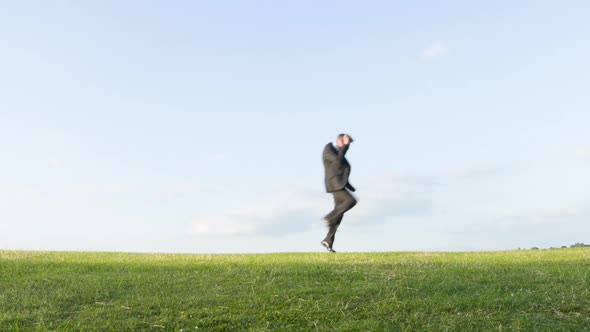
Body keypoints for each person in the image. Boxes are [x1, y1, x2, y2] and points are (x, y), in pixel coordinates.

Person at [321, 133, 357, 252]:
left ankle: (328, 240)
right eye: (346, 142)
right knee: (351, 201)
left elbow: (341, 167)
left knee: (339, 215)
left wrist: (349, 186)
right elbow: (337, 163)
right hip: (334, 185)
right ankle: (329, 217)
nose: (348, 145)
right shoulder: (328, 149)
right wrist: (345, 147)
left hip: (339, 185)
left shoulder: (338, 152)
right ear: (340, 140)